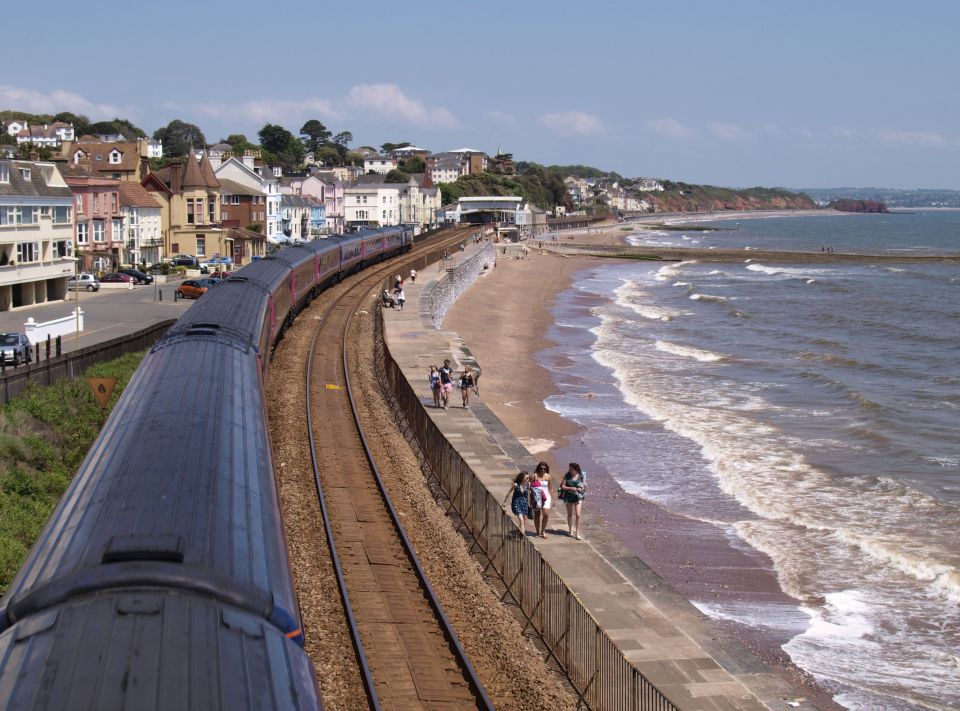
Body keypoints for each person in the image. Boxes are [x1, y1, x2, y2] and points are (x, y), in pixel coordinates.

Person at [559, 463, 586, 539]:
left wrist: (581, 489)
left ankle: (577, 533)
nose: (570, 470)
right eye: (569, 469)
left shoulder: (581, 476)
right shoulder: (566, 476)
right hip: (568, 496)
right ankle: (570, 530)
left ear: (576, 469)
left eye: (571, 469)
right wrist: (571, 488)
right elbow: (562, 486)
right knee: (570, 514)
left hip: (578, 497)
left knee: (578, 515)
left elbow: (584, 485)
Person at [533, 462, 551, 537]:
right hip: (537, 498)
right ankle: (537, 531)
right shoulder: (534, 476)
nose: (543, 470)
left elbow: (550, 488)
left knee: (546, 514)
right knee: (537, 515)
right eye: (541, 468)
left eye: (544, 468)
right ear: (538, 468)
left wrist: (553, 499)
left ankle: (543, 530)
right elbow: (530, 487)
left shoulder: (548, 476)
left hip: (546, 497)